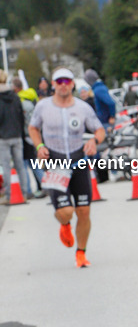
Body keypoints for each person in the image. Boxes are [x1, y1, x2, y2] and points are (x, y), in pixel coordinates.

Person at [28, 67, 105, 267]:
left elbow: (99, 129)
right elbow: (33, 127)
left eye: (66, 81)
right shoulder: (43, 106)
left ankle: (81, 253)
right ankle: (64, 224)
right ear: (53, 84)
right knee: (66, 212)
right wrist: (39, 146)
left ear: (72, 84)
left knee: (84, 211)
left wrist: (94, 141)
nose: (63, 85)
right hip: (55, 162)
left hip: (78, 160)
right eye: (59, 81)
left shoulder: (82, 107)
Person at [13, 76, 46, 199]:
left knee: (25, 164)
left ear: (15, 88)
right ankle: (46, 185)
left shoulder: (19, 101)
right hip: (32, 136)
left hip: (24, 136)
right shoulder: (31, 97)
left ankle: (27, 190)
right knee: (34, 163)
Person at [0, 69, 30, 202]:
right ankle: (23, 193)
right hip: (17, 135)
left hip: (3, 136)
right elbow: (21, 117)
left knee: (6, 166)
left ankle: (9, 195)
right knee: (20, 166)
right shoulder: (15, 96)